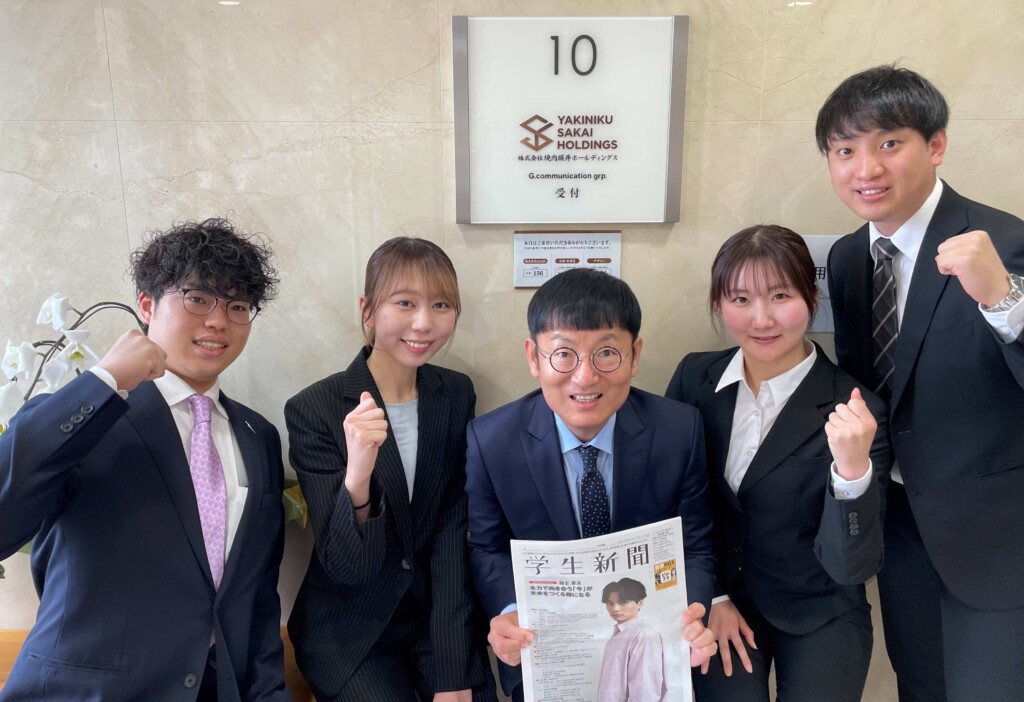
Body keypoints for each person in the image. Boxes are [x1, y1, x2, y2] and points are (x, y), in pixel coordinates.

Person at [0, 218, 288, 701]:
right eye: (197, 298)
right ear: (147, 305)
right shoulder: (88, 413)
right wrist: (104, 381)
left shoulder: (258, 435)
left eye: (238, 306)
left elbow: (257, 597)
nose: (219, 321)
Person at [818, 65, 1024, 701]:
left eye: (888, 143)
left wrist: (1004, 299)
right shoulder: (848, 258)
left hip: (997, 540)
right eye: (845, 150)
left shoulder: (1005, 241)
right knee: (921, 688)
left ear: (936, 145)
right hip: (902, 534)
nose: (866, 169)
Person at [465, 267, 718, 701]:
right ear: (533, 357)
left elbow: (694, 546)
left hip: (646, 652)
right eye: (563, 354)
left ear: (635, 355)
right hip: (547, 653)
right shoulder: (492, 442)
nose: (584, 377)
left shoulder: (679, 431)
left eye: (606, 353)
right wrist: (509, 612)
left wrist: (692, 612)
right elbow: (487, 548)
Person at [666, 224, 890, 702]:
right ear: (719, 303)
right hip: (715, 601)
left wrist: (852, 473)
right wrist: (712, 595)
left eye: (780, 296)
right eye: (740, 299)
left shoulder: (855, 408)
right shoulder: (694, 379)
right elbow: (670, 503)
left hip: (820, 608)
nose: (761, 319)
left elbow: (852, 566)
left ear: (812, 298)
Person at [285, 237, 492, 702]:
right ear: (368, 309)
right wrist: (358, 477)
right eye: (405, 303)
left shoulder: (455, 394)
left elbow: (451, 529)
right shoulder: (315, 408)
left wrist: (454, 668)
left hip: (434, 621)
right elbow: (346, 565)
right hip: (351, 630)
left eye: (441, 305)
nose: (424, 323)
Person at [597, 578, 667, 702]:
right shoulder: (616, 635)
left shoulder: (644, 635)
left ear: (640, 603)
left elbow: (644, 693)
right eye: (610, 603)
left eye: (623, 602)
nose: (615, 608)